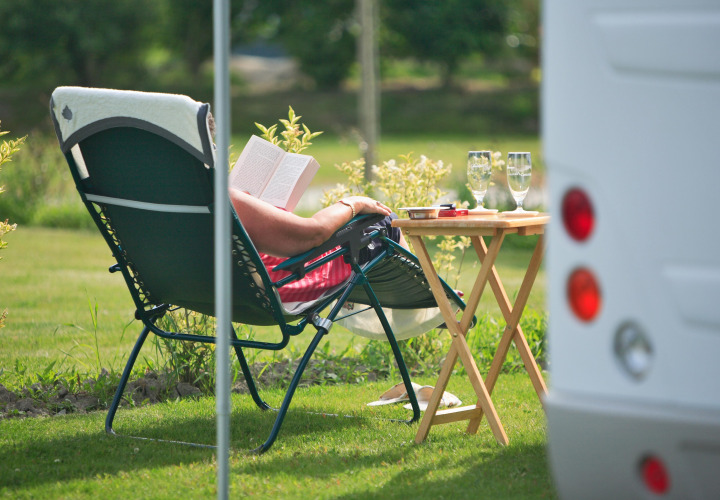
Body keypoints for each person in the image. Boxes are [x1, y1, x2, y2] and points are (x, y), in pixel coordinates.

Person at [229, 189, 408, 304]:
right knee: (384, 220)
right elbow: (315, 233)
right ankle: (424, 305)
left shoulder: (203, 198)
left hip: (234, 294)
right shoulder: (225, 196)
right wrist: (354, 203)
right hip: (286, 280)